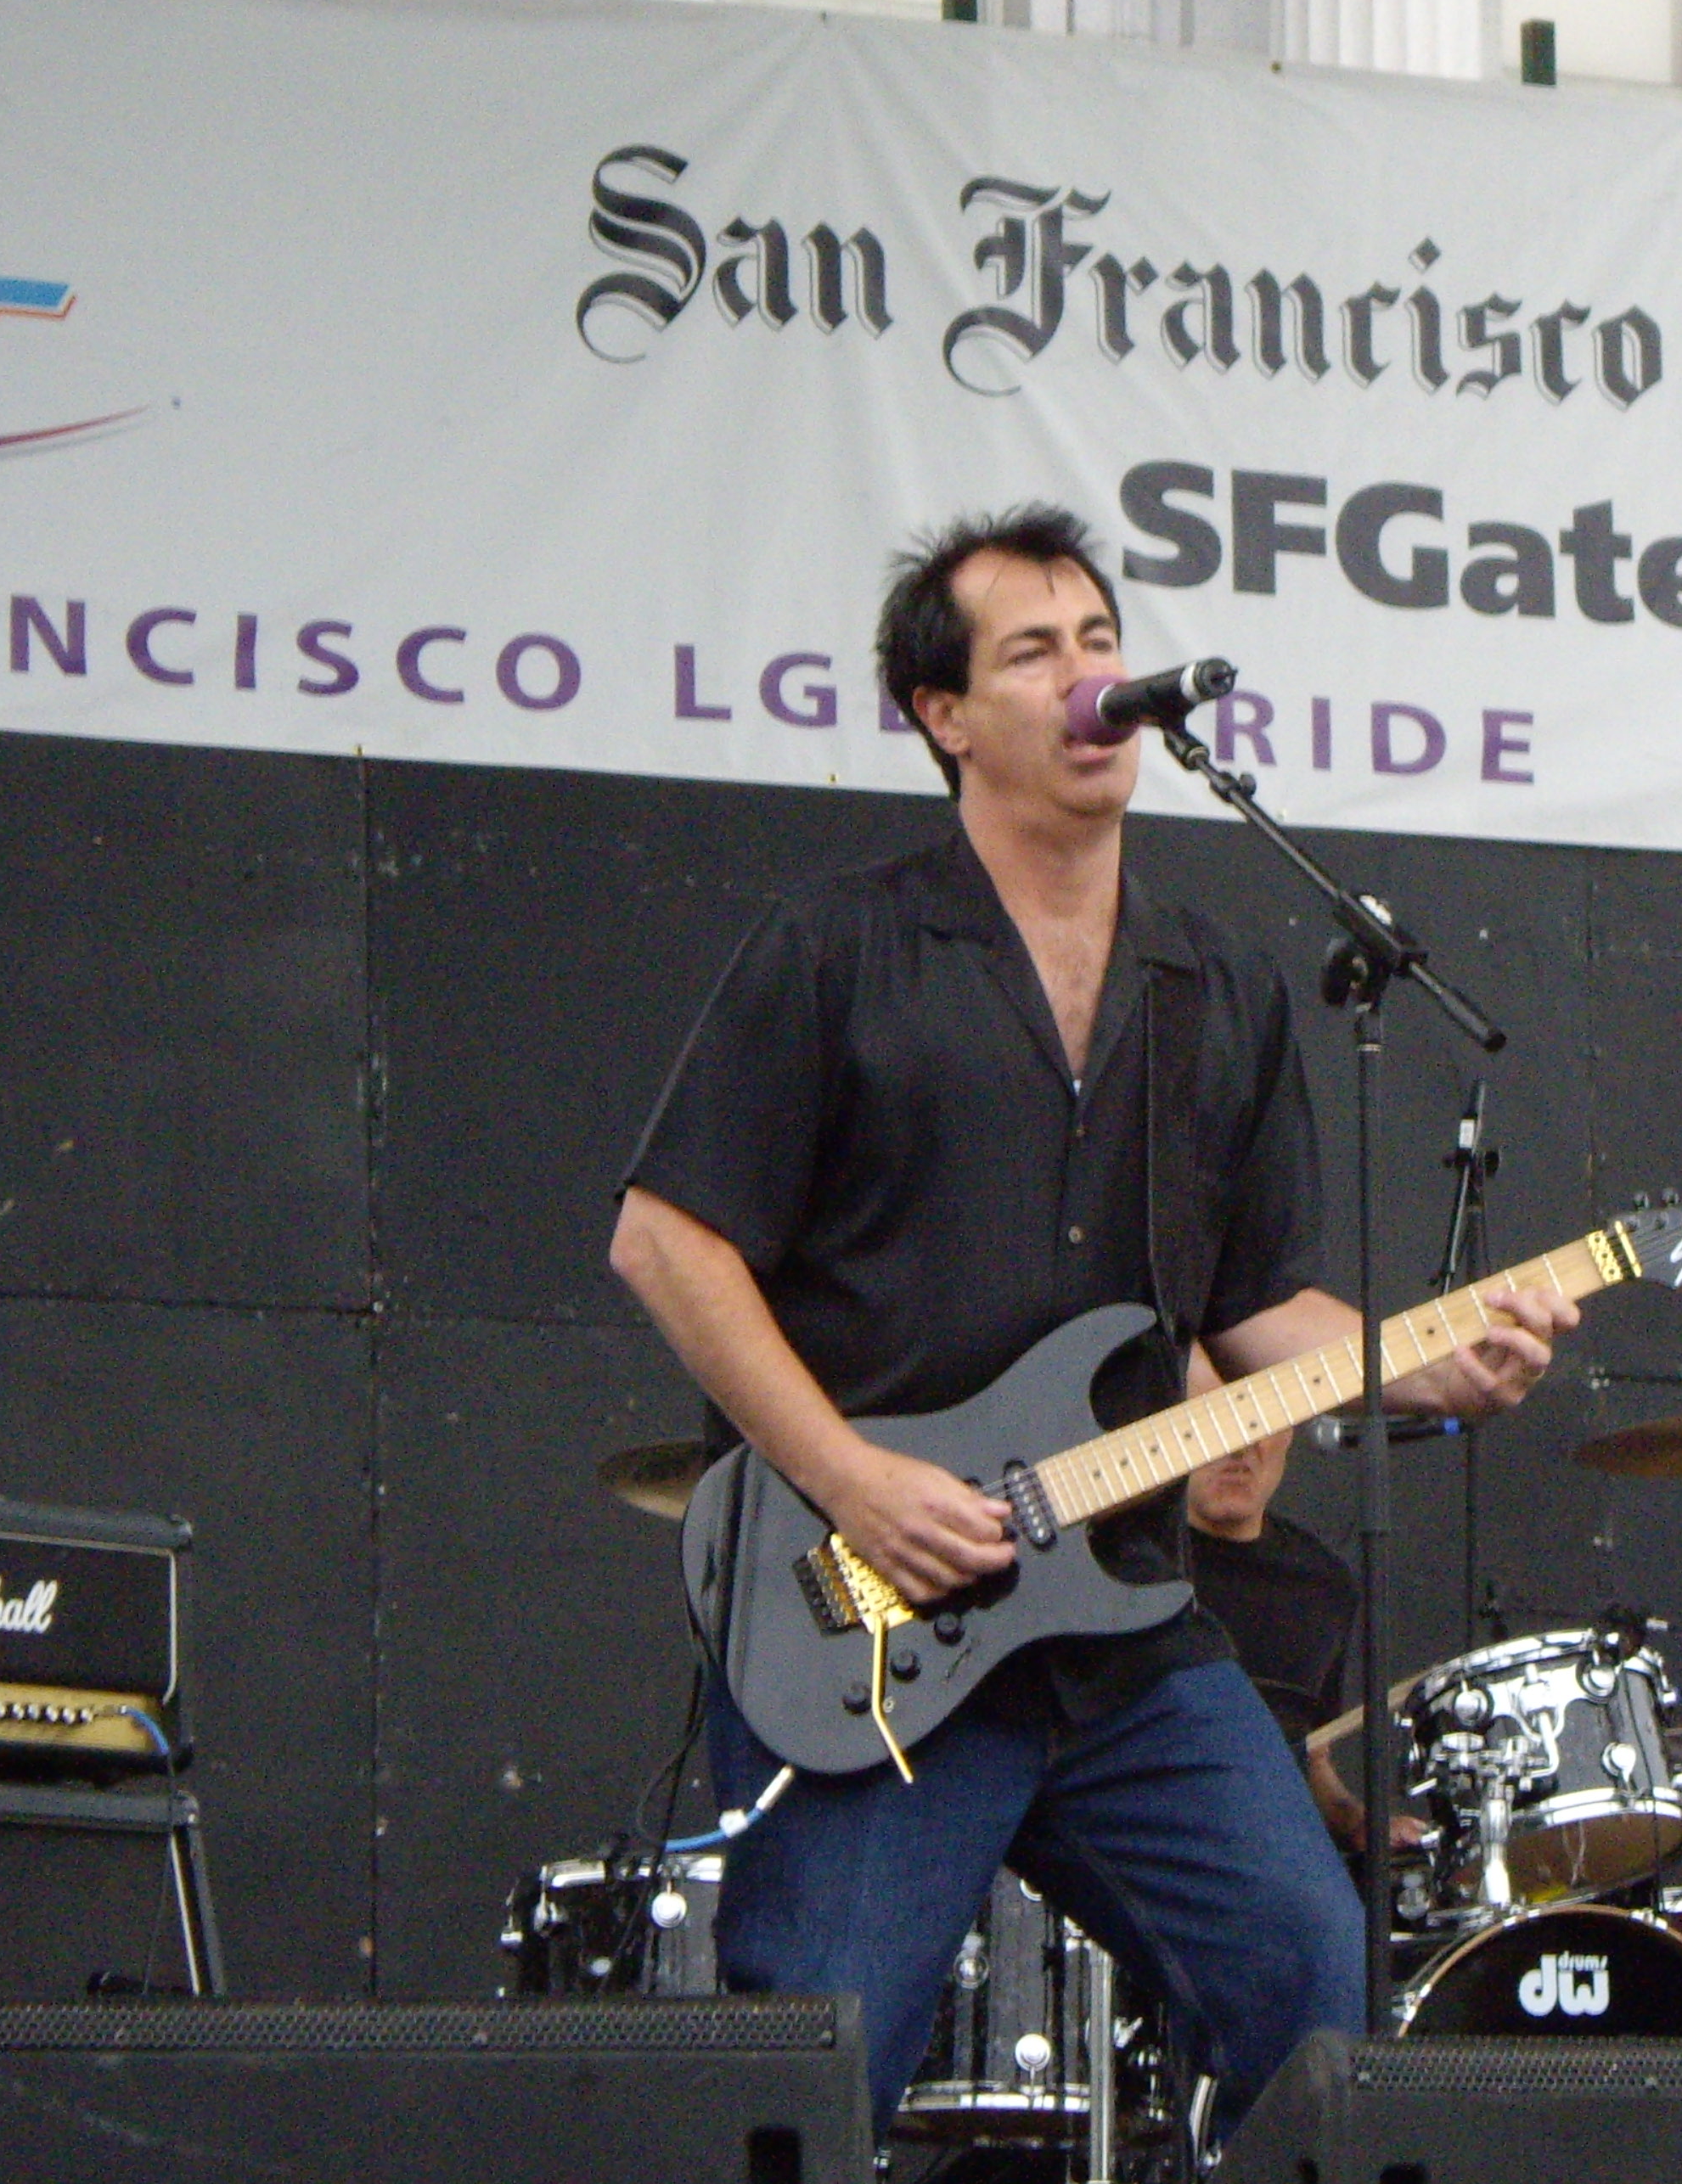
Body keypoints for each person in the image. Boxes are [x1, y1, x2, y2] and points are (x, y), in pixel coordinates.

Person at [605, 504, 1577, 2136]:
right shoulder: (840, 948)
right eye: (1034, 650)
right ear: (943, 714)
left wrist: (1431, 1363)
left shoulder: (1218, 985)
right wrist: (851, 1478)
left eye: (1102, 641)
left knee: (1312, 1997)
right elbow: (666, 1242)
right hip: (881, 1630)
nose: (1088, 677)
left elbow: (1259, 1305)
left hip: (1123, 1621)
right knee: (817, 2074)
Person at [1184, 1428, 1425, 1855]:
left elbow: (1310, 1756)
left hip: (1261, 1853)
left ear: (1288, 1435)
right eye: (1216, 1422)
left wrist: (1356, 1822)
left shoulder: (1322, 1585)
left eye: (1257, 1425)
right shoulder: (1125, 1565)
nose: (1238, 1448)